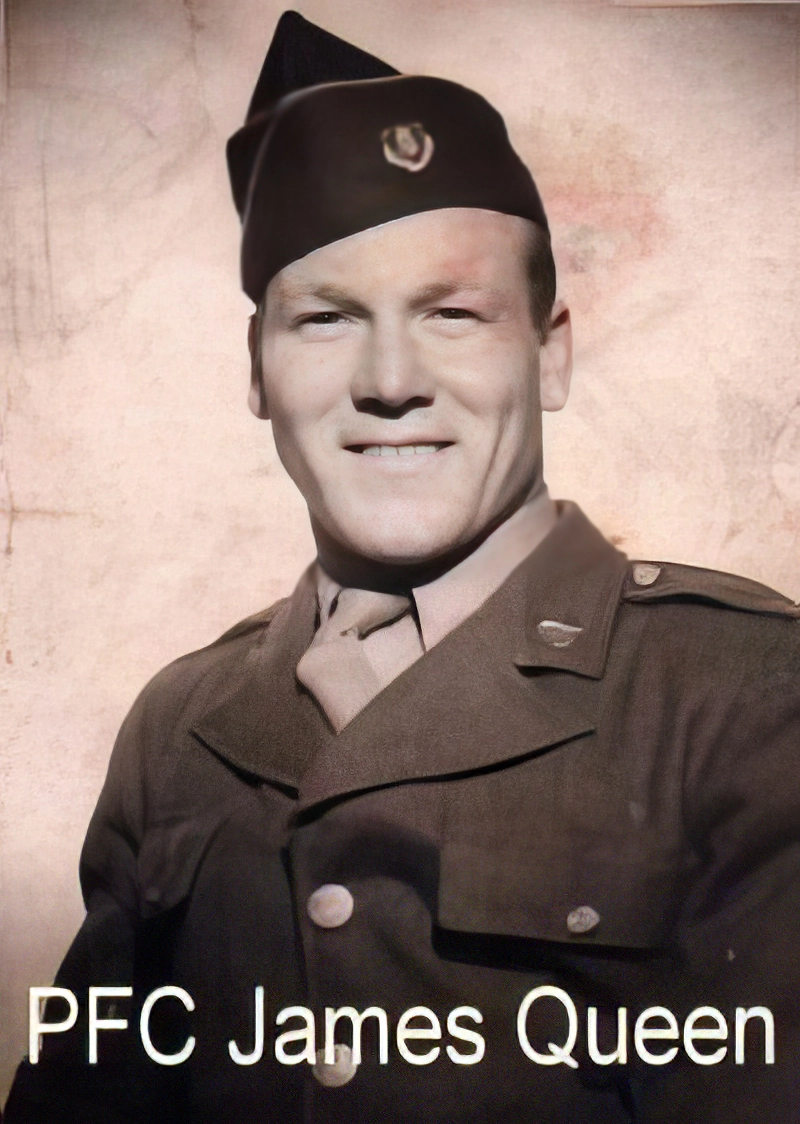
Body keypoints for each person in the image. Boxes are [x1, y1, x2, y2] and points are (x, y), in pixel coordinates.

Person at [5, 10, 800, 1123]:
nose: (389, 379)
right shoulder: (180, 723)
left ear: (550, 350)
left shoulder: (744, 699)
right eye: (325, 319)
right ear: (256, 367)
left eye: (452, 313)